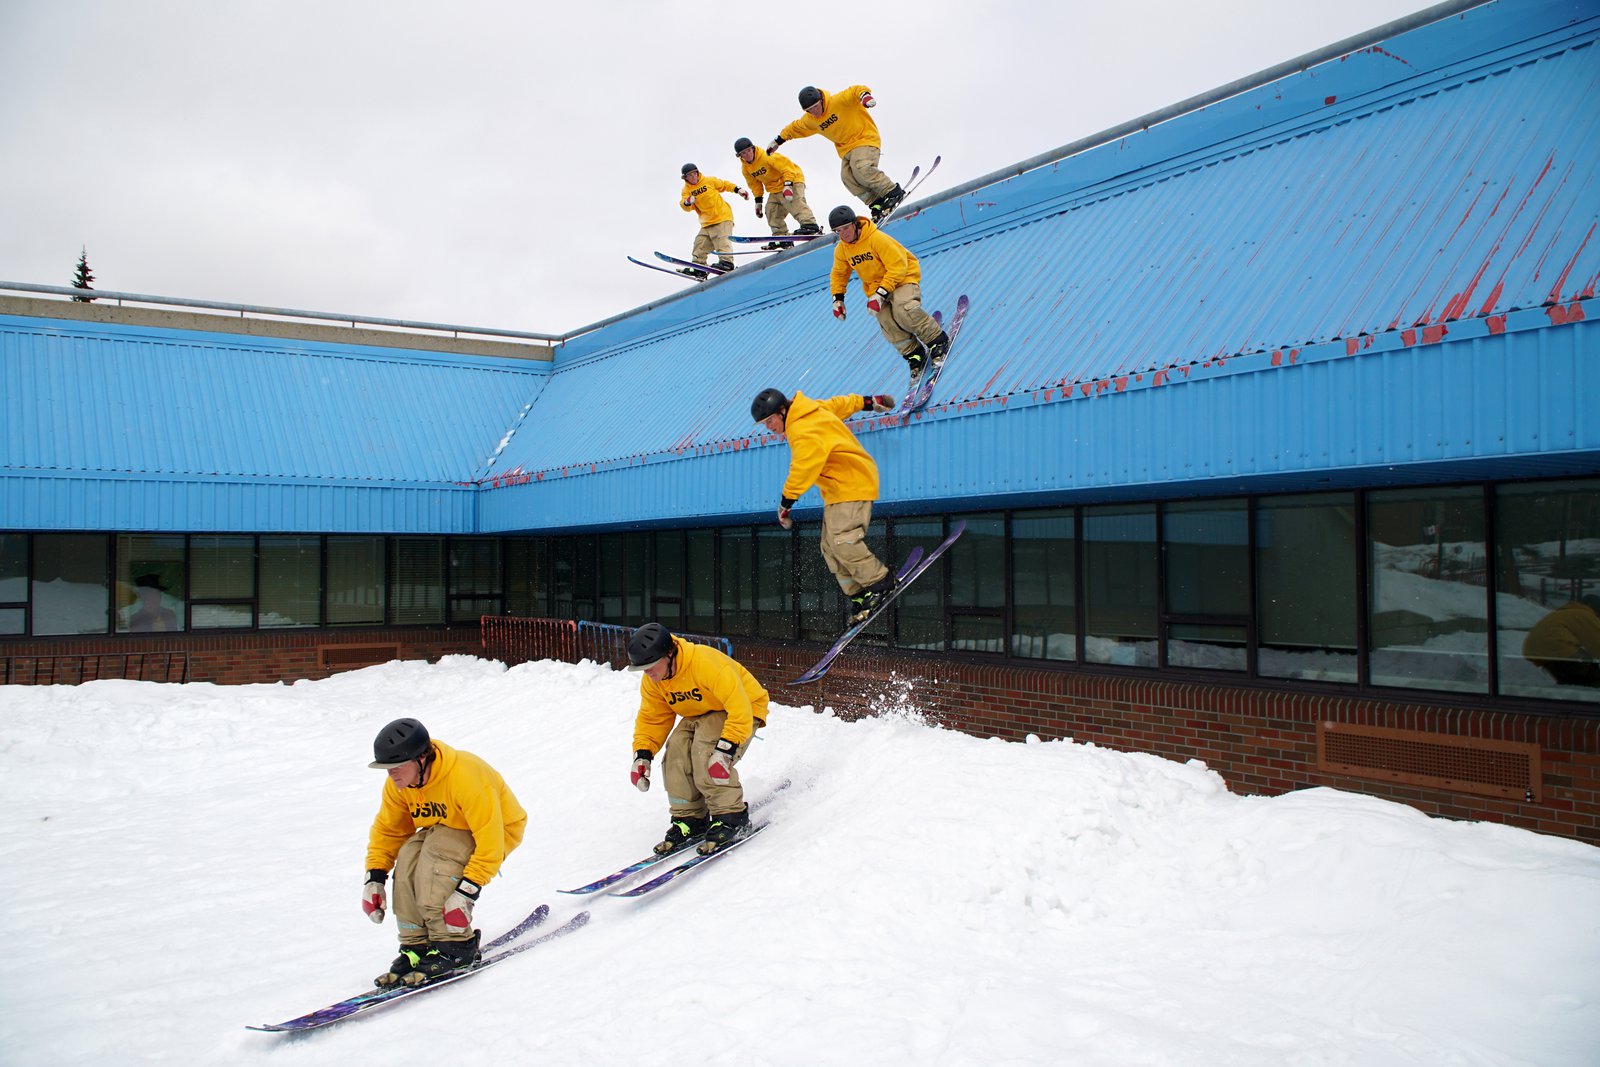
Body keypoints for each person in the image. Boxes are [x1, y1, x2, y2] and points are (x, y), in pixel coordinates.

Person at [362, 717, 527, 987]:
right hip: (446, 828)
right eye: (387, 768)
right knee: (409, 855)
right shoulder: (400, 785)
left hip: (496, 831)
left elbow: (490, 839)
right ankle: (415, 947)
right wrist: (375, 878)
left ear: (421, 759)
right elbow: (389, 831)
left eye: (397, 766)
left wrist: (466, 892)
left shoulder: (465, 776)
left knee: (436, 859)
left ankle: (455, 946)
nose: (391, 774)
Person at [750, 387, 900, 623]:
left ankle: (880, 583)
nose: (769, 427)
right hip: (838, 490)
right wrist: (869, 402)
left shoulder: (801, 429)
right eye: (764, 424)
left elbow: (803, 468)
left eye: (770, 421)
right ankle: (858, 594)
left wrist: (786, 502)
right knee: (829, 546)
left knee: (843, 540)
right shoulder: (811, 409)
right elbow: (840, 404)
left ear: (782, 411)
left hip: (851, 484)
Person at [627, 622, 770, 856]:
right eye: (643, 669)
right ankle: (690, 819)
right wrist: (642, 754)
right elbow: (653, 717)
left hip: (744, 707)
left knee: (706, 751)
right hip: (702, 710)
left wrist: (726, 749)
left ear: (669, 654)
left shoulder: (705, 664)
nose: (649, 673)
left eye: (651, 666)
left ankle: (730, 817)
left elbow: (739, 707)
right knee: (676, 752)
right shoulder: (654, 680)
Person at [828, 205, 950, 391]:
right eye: (838, 231)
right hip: (877, 287)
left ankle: (937, 340)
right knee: (886, 321)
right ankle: (913, 353)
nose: (843, 234)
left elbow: (898, 265)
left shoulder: (876, 238)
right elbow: (839, 274)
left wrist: (881, 293)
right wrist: (838, 299)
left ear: (855, 224)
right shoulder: (842, 250)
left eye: (846, 228)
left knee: (903, 309)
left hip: (902, 278)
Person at [767, 84, 904, 222]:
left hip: (865, 138)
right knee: (847, 178)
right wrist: (778, 141)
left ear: (821, 100)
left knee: (861, 167)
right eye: (810, 110)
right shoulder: (811, 120)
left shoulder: (838, 101)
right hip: (846, 149)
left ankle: (891, 191)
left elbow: (855, 90)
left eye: (816, 106)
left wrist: (865, 96)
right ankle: (876, 202)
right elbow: (795, 128)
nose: (815, 112)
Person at [734, 136, 820, 249]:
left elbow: (787, 167)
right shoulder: (745, 169)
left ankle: (810, 224)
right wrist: (758, 201)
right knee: (771, 210)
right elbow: (755, 185)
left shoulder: (767, 156)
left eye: (749, 151)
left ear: (753, 149)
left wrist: (788, 185)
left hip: (792, 179)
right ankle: (781, 236)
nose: (747, 155)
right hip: (774, 188)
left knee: (793, 202)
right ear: (740, 156)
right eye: (743, 153)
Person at [677, 163, 748, 279]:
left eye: (694, 174)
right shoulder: (686, 190)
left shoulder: (709, 181)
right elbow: (684, 205)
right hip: (706, 222)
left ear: (697, 173)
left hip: (722, 217)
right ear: (685, 178)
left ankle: (727, 262)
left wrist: (738, 189)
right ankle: (699, 267)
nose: (693, 177)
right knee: (700, 243)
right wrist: (687, 202)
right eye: (689, 176)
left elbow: (724, 185)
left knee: (722, 240)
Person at [1522, 595, 1600, 688]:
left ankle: (1570, 688)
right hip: (1557, 650)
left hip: (1538, 653)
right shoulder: (1586, 614)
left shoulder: (1565, 612)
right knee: (1590, 672)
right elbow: (1596, 643)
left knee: (1573, 672)